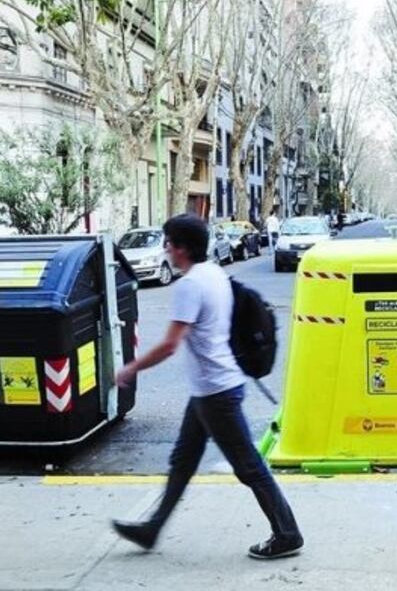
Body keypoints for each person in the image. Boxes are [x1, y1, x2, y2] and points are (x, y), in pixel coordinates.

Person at [111, 214, 303, 559]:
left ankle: (287, 533)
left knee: (248, 467)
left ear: (182, 248)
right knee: (183, 460)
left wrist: (131, 368)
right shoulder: (213, 272)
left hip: (217, 393)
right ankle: (152, 529)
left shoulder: (189, 285)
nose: (165, 247)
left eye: (168, 241)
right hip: (209, 391)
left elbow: (170, 344)